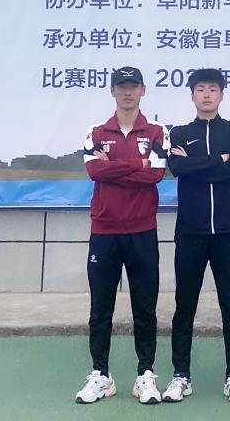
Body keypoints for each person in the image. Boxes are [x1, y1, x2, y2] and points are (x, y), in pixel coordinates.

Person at [75, 66, 168, 405]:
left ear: (143, 90)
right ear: (112, 91)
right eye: (121, 86)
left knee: (145, 308)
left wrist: (113, 166)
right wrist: (136, 164)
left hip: (142, 230)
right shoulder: (96, 132)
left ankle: (146, 375)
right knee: (101, 308)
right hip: (105, 231)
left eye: (133, 86)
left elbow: (155, 174)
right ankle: (101, 375)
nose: (128, 92)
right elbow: (93, 170)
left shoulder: (157, 131)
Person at [163, 68, 230, 404]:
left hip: (227, 232)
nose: (206, 94)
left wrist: (200, 163)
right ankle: (180, 376)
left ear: (222, 95)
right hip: (190, 232)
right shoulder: (180, 132)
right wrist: (217, 160)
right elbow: (178, 168)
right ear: (192, 95)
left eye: (213, 89)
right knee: (184, 305)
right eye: (200, 89)